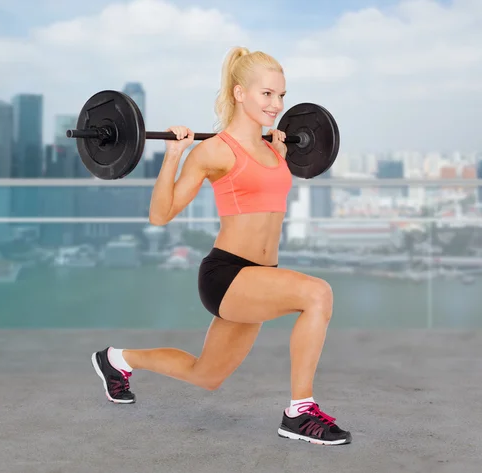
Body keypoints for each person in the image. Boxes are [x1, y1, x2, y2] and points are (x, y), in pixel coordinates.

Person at [91, 46, 351, 446]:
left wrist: (282, 152)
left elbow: (265, 195)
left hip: (259, 278)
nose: (277, 104)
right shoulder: (213, 150)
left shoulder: (273, 149)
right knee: (318, 294)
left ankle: (116, 360)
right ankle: (299, 412)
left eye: (281, 95)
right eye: (266, 94)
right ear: (239, 93)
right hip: (227, 275)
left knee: (206, 375)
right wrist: (173, 156)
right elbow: (161, 216)